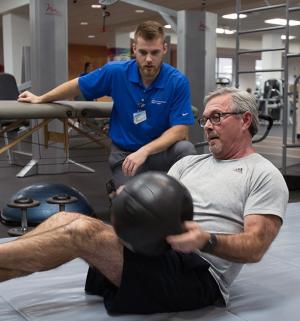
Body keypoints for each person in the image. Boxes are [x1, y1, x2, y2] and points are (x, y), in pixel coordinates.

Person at [0, 87, 288, 314]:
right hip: (156, 248)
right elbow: (159, 201)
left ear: (245, 120)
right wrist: (133, 200)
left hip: (198, 274)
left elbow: (255, 247)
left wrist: (206, 240)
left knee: (80, 232)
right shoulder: (190, 163)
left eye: (217, 117)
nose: (208, 126)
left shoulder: (263, 174)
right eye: (205, 120)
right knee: (65, 220)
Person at [18, 21, 196, 188]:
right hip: (126, 154)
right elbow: (78, 84)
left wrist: (146, 151)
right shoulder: (116, 72)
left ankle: (188, 200)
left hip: (159, 152)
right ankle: (117, 190)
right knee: (130, 201)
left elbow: (180, 130)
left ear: (164, 49)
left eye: (155, 52)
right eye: (143, 52)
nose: (149, 59)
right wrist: (42, 98)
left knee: (185, 148)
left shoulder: (177, 81)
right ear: (134, 49)